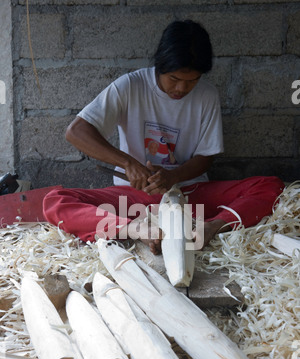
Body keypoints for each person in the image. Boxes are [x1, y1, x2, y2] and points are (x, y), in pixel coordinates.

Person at [43, 19, 284, 254]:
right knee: (55, 201)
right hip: (134, 201)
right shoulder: (130, 86)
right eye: (175, 79)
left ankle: (211, 226)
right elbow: (76, 132)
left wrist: (174, 177)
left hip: (191, 197)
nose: (181, 89)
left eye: (192, 81)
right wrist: (128, 164)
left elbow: (206, 156)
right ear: (159, 66)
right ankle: (134, 229)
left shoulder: (207, 95)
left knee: (272, 186)